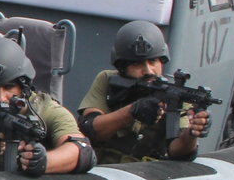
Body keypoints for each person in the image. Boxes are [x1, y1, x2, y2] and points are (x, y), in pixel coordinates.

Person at [0, 37, 94, 176]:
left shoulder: (47, 110)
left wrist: (43, 162)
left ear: (23, 86)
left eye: (9, 87)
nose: (1, 97)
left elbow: (82, 151)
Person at [77, 20, 213, 163]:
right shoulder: (107, 79)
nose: (148, 71)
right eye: (137, 64)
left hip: (146, 175)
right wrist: (132, 111)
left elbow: (178, 153)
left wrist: (191, 134)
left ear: (162, 61)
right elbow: (89, 129)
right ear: (122, 67)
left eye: (153, 61)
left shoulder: (174, 95)